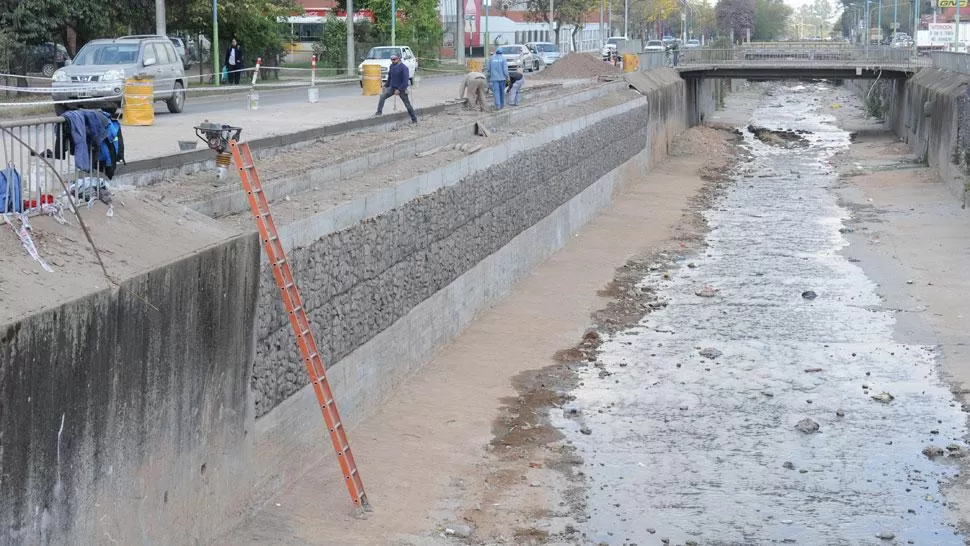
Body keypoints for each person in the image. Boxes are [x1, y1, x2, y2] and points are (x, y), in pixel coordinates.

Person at [375, 53, 417, 123]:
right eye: (391, 59)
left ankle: (414, 119)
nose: (392, 60)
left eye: (394, 59)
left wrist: (399, 90)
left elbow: (405, 82)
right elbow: (390, 78)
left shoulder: (404, 68)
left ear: (399, 59)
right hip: (392, 87)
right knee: (382, 96)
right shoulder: (391, 66)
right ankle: (378, 113)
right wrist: (385, 85)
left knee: (407, 104)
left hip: (402, 89)